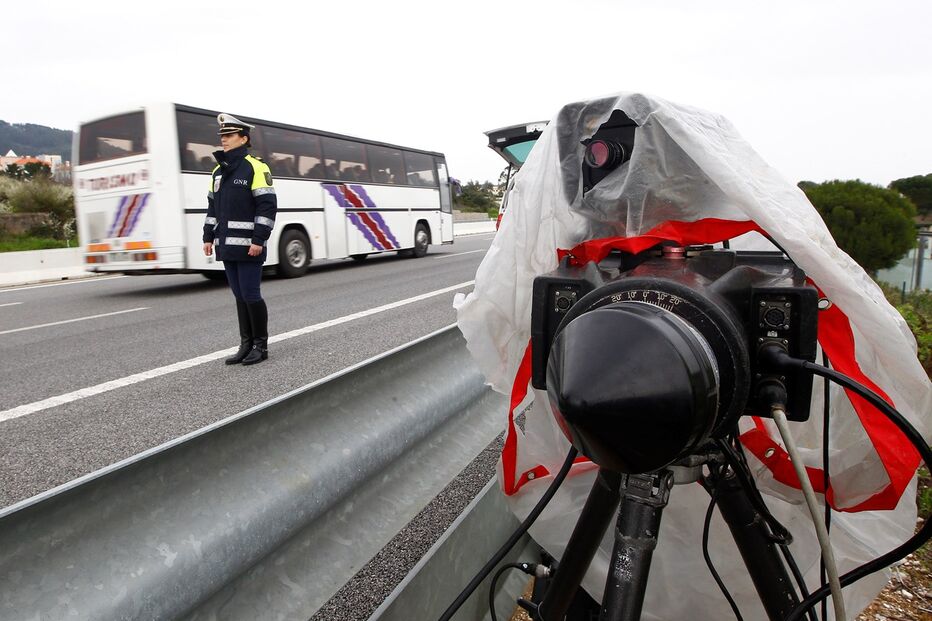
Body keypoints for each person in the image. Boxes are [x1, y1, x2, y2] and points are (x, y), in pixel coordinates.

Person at [202, 113, 277, 366]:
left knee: (251, 294)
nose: (224, 140)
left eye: (229, 135)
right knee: (239, 295)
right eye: (222, 136)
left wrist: (259, 239)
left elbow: (266, 207)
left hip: (249, 247)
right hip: (226, 245)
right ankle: (245, 344)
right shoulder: (217, 171)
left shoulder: (256, 167)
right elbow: (213, 208)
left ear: (243, 138)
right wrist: (208, 236)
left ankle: (260, 346)